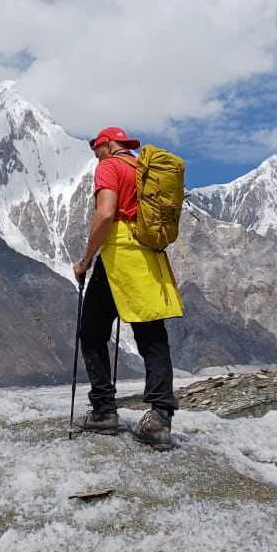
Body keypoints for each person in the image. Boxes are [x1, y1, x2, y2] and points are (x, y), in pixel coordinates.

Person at [72, 126, 184, 447]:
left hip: (120, 253)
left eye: (96, 147)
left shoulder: (108, 166)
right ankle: (160, 416)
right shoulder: (142, 170)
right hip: (148, 253)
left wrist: (86, 260)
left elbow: (105, 214)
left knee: (92, 332)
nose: (95, 152)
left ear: (107, 144)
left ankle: (104, 411)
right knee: (151, 333)